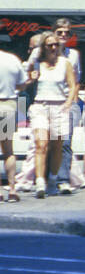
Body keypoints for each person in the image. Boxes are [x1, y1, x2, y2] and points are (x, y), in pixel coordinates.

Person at [25, 31, 78, 199]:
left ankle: (53, 180)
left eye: (57, 44)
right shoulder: (37, 63)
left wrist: (69, 102)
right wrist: (31, 79)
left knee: (57, 146)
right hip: (41, 105)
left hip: (59, 106)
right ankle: (40, 182)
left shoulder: (65, 63)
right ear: (43, 47)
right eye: (50, 45)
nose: (54, 48)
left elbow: (72, 85)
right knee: (41, 144)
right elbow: (24, 83)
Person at [0, 46, 24, 201]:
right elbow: (21, 84)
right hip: (8, 104)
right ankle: (12, 189)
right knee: (9, 151)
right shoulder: (12, 59)